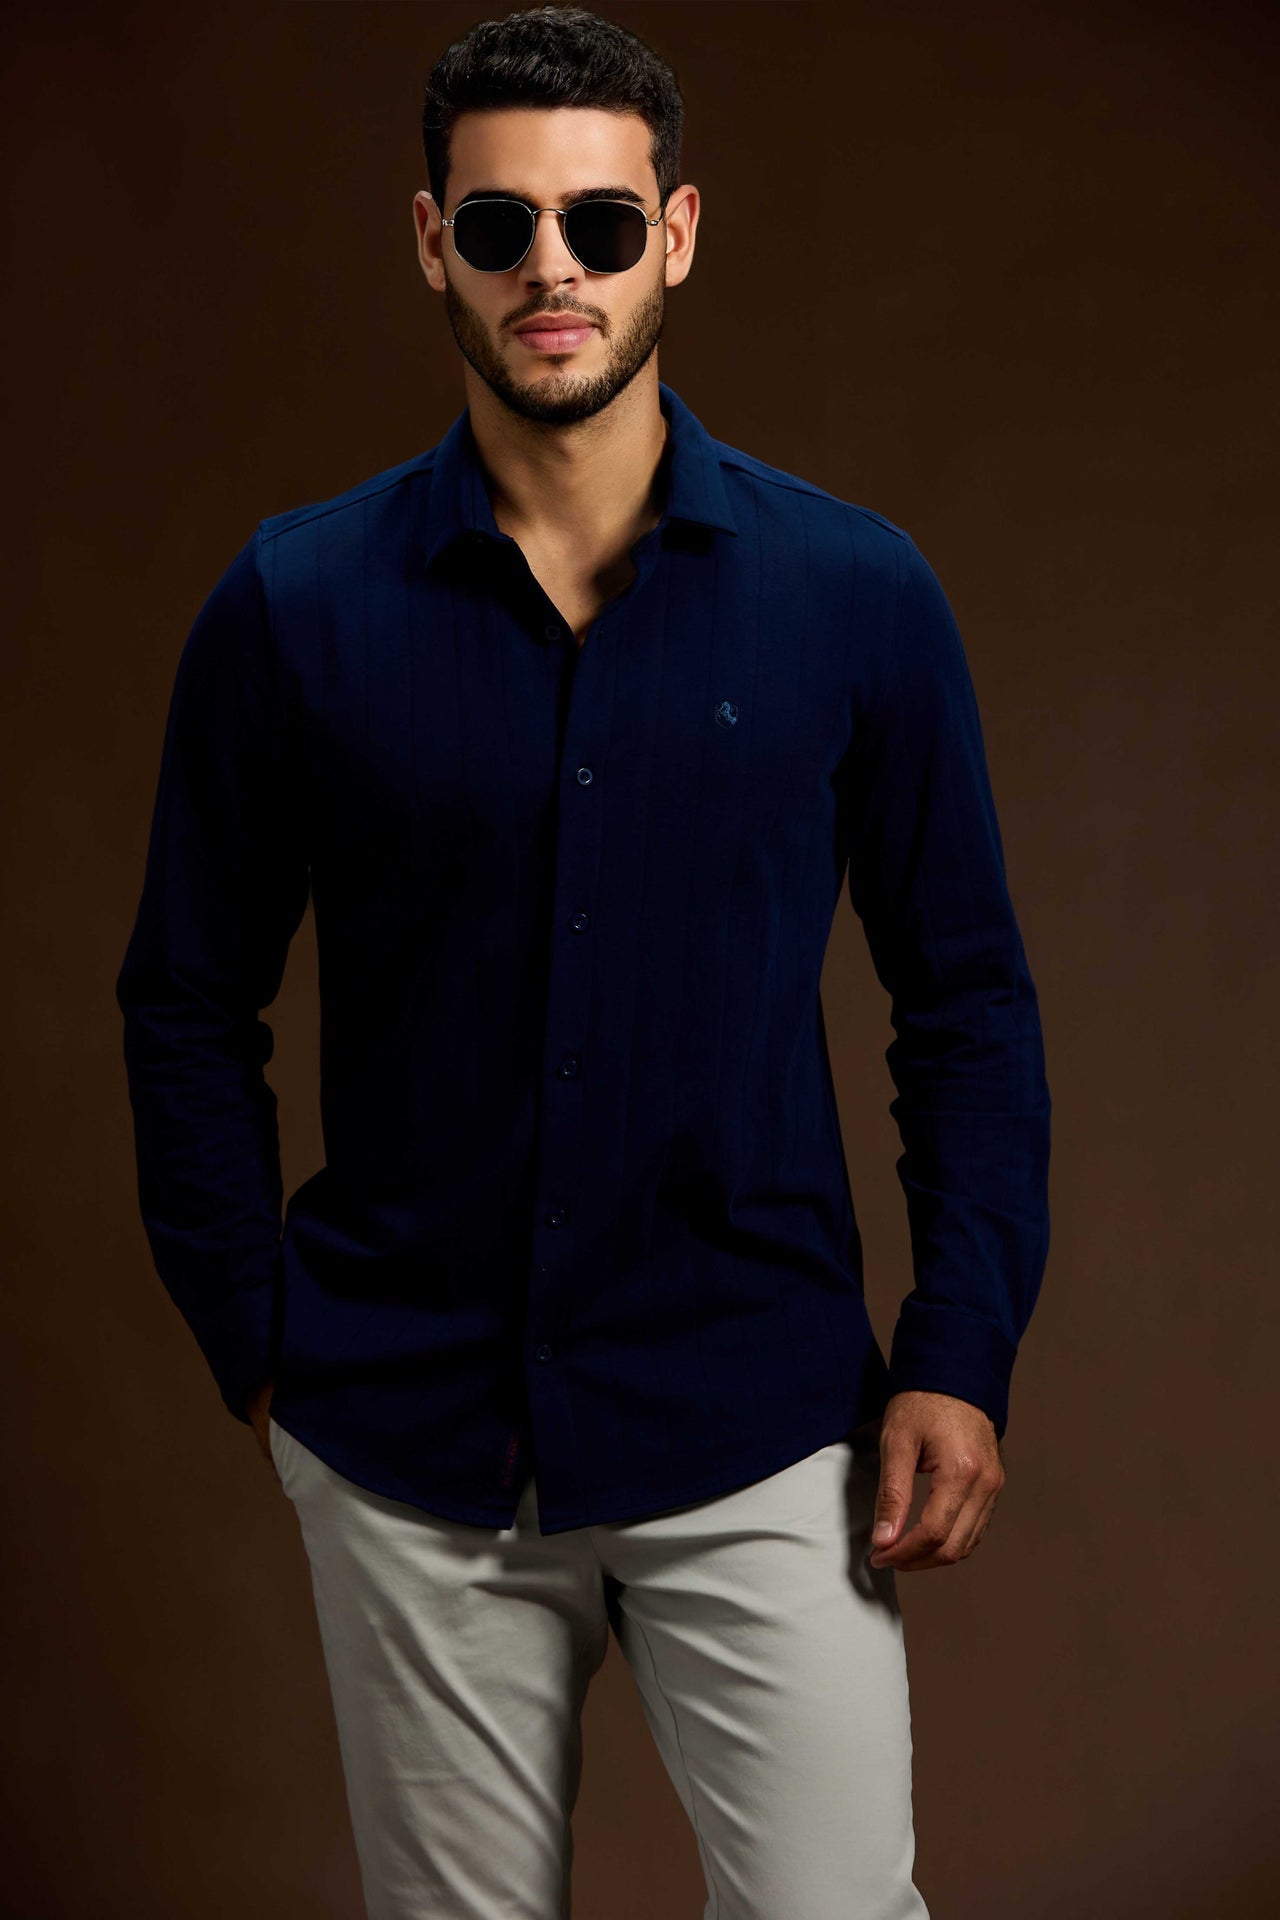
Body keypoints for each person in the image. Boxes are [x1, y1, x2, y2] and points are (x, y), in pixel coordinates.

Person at [115, 7, 1051, 1917]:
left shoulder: (855, 597)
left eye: (602, 225)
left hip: (760, 1416)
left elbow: (964, 1002)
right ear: (431, 241)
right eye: (501, 225)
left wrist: (961, 1348)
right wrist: (261, 1341)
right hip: (406, 1437)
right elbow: (185, 998)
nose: (554, 269)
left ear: (676, 234)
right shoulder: (292, 607)